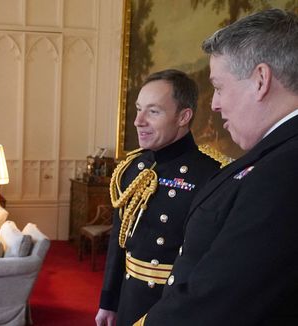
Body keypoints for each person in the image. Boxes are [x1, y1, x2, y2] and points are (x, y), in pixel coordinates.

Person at [134, 9, 298, 325]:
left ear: (261, 80)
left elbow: (219, 300)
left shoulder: (283, 171)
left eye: (219, 87)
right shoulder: (274, 156)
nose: (214, 104)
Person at [95, 69, 223, 326]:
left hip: (173, 307)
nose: (138, 121)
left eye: (153, 112)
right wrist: (108, 301)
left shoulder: (210, 175)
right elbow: (118, 243)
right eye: (139, 109)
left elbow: (208, 264)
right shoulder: (132, 168)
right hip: (129, 300)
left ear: (183, 117)